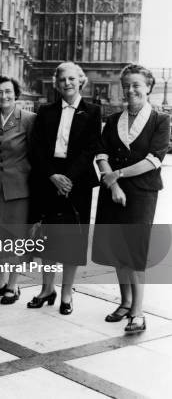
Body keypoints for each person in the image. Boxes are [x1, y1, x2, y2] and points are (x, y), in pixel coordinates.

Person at [93, 64, 170, 334]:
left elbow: (153, 160)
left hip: (141, 194)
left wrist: (118, 175)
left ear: (148, 87)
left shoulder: (160, 120)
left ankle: (138, 313)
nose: (131, 90)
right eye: (126, 85)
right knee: (117, 250)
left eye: (136, 84)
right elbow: (100, 154)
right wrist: (112, 184)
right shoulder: (113, 120)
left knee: (135, 252)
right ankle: (125, 303)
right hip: (112, 193)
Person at [29, 61, 101, 315]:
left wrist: (67, 178)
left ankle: (67, 292)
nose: (67, 83)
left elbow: (91, 147)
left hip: (77, 182)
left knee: (72, 240)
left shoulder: (92, 111)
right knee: (47, 239)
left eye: (71, 79)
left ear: (81, 80)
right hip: (49, 180)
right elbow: (36, 148)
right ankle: (47, 288)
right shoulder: (45, 111)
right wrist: (52, 176)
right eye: (62, 80)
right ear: (56, 84)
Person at [0, 76, 36, 304]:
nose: (4, 96)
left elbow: (35, 154)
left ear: (16, 94)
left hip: (18, 188)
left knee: (15, 237)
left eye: (8, 91)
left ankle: (13, 285)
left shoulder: (29, 120)